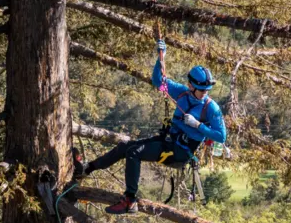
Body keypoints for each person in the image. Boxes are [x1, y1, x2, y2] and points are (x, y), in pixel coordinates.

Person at [74, 40, 227, 214]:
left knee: (134, 152)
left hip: (180, 152)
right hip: (167, 141)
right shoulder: (182, 92)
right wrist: (161, 58)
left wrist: (198, 125)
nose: (204, 93)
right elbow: (158, 81)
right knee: (126, 147)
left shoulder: (211, 108)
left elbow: (221, 136)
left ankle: (130, 200)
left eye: (206, 90)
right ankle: (87, 169)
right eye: (201, 90)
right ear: (191, 86)